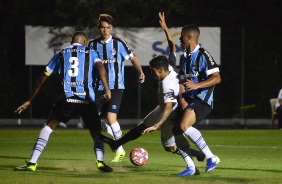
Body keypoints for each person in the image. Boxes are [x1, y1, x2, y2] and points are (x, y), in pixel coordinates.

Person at [100, 12, 204, 176]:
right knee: (142, 126)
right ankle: (117, 143)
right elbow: (172, 46)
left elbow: (169, 107)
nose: (153, 75)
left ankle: (194, 164)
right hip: (163, 107)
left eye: (154, 72)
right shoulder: (169, 64)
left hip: (171, 113)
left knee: (169, 146)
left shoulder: (168, 84)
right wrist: (165, 28)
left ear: (161, 70)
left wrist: (157, 125)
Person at [14, 31, 114, 172]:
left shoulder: (60, 53)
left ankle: (32, 163)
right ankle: (100, 161)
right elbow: (101, 68)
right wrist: (107, 90)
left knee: (48, 127)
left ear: (72, 42)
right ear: (85, 42)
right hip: (86, 100)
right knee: (96, 132)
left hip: (67, 99)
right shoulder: (91, 52)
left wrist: (30, 100)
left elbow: (43, 78)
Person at [88, 14, 145, 162]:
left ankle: (119, 149)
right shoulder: (92, 45)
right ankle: (116, 144)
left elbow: (133, 58)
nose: (105, 30)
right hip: (97, 87)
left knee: (111, 117)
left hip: (116, 86)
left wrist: (140, 71)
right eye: (102, 27)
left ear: (111, 28)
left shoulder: (119, 44)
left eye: (108, 27)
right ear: (98, 27)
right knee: (91, 120)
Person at [177, 24, 221, 173]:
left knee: (184, 125)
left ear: (189, 38)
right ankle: (191, 167)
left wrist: (197, 85)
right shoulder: (184, 57)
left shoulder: (203, 55)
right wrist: (182, 99)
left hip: (202, 99)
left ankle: (211, 157)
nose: (179, 38)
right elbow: (182, 80)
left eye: (182, 35)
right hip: (188, 100)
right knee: (176, 131)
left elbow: (217, 78)